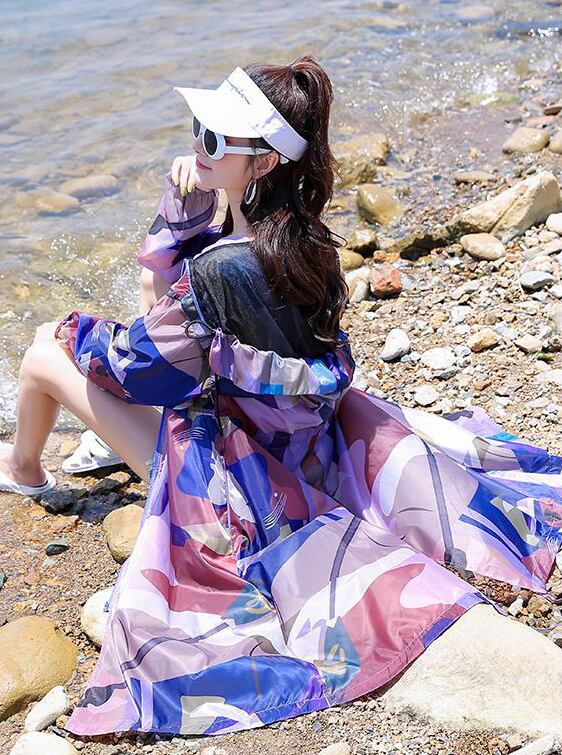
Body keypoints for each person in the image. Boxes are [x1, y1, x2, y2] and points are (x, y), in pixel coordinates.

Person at [1, 56, 562, 739]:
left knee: (42, 353)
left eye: (214, 140)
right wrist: (195, 212)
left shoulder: (216, 269)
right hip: (304, 445)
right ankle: (62, 455)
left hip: (234, 485)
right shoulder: (306, 241)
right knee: (126, 352)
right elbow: (197, 331)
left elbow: (138, 367)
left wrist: (88, 311)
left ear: (263, 163)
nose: (197, 146)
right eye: (197, 129)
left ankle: (24, 470)